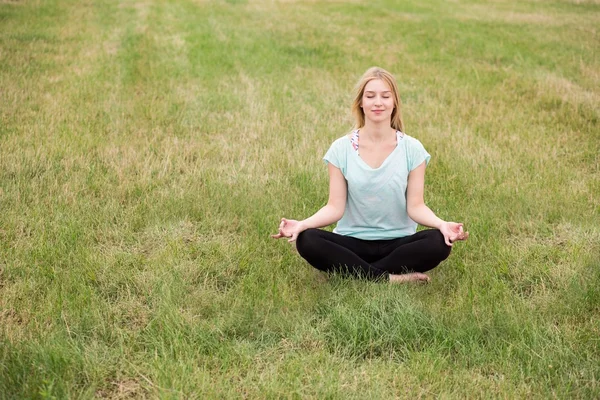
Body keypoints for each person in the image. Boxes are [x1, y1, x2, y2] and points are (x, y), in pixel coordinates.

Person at [272, 67, 469, 283]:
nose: (378, 102)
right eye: (370, 96)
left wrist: (441, 224)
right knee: (307, 239)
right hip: (352, 242)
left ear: (394, 103)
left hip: (398, 243)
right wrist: (302, 224)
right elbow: (334, 207)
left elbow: (416, 206)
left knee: (438, 243)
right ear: (361, 103)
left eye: (385, 96)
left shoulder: (412, 148)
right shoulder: (341, 148)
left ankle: (357, 272)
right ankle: (391, 278)